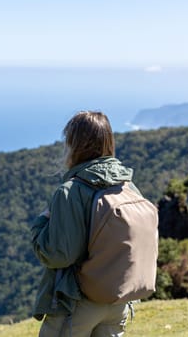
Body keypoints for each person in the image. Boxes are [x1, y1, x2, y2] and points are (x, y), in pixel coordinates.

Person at [30, 111, 136, 336]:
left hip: (77, 302)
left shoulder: (70, 192)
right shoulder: (128, 186)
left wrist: (41, 222)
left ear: (74, 145)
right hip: (118, 301)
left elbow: (58, 255)